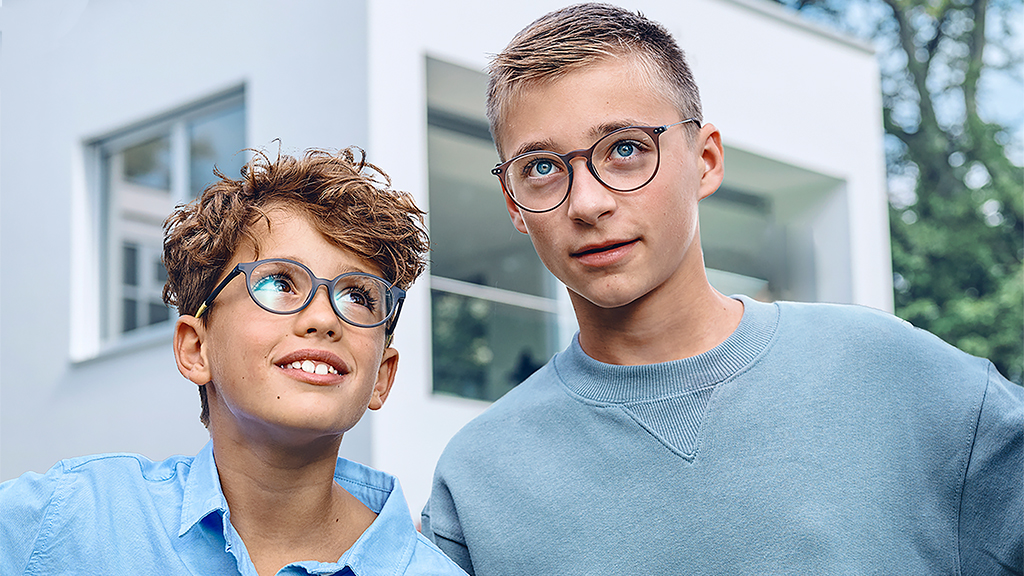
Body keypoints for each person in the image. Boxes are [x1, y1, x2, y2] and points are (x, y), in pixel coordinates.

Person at [420, 4, 1023, 575]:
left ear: (705, 160)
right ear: (514, 206)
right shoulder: (476, 483)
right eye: (543, 168)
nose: (588, 202)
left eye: (626, 149)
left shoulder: (896, 375)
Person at [1, 147, 466, 576]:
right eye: (278, 283)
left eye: (359, 295)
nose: (324, 318)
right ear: (195, 348)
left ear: (382, 377)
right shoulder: (73, 515)